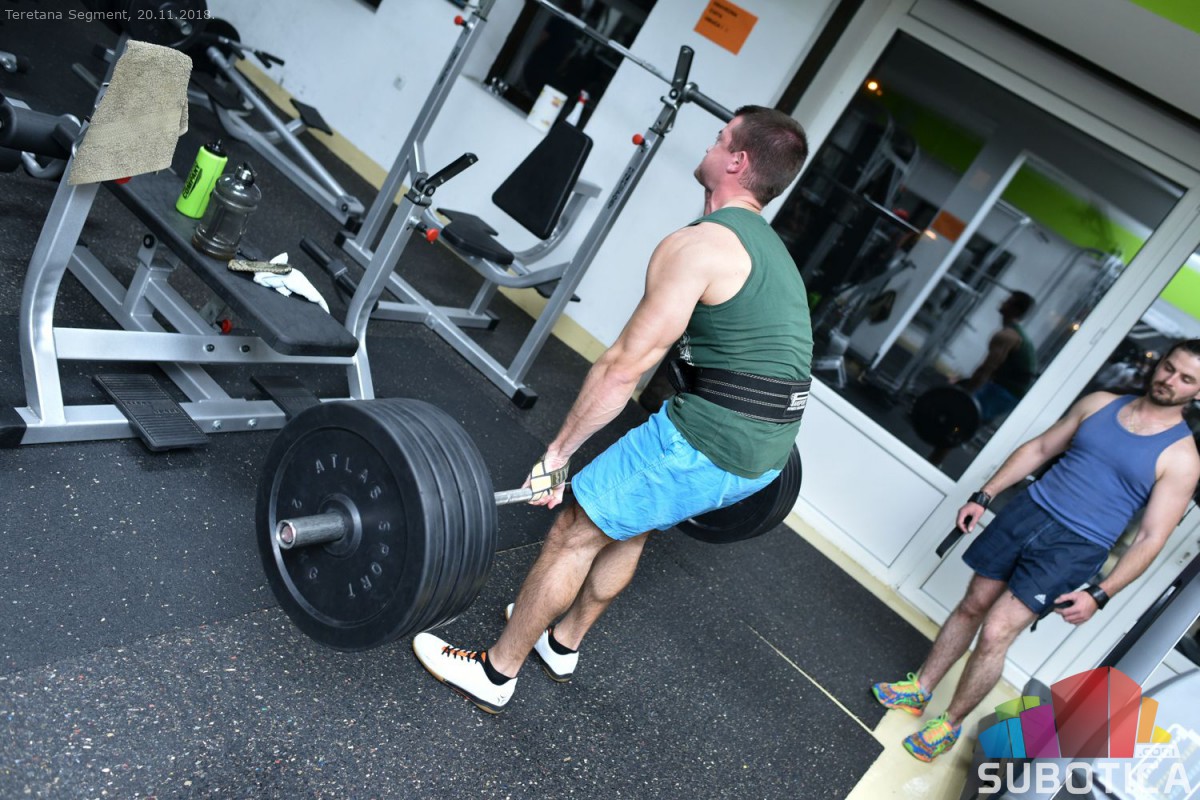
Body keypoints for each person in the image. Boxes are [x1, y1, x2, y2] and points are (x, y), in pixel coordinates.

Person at [411, 106, 814, 713]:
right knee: (633, 519)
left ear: (736, 161)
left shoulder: (699, 246)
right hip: (766, 457)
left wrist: (558, 454)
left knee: (575, 530)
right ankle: (561, 642)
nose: (708, 145)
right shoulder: (775, 256)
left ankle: (495, 673)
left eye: (719, 138)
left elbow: (625, 366)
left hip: (709, 439)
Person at [875, 339, 1200, 762]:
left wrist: (1101, 593)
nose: (1170, 380)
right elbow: (1041, 448)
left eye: (1186, 378)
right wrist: (985, 494)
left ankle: (949, 724)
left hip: (1076, 546)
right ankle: (919, 689)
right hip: (1029, 511)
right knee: (972, 605)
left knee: (997, 630)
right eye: (1169, 367)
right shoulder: (1100, 403)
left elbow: (1151, 538)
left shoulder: (1182, 458)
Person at [963, 291, 1038, 424]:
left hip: (1007, 391)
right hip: (1008, 389)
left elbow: (987, 369)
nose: (1003, 302)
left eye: (1008, 301)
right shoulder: (1013, 334)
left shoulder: (1007, 336)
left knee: (966, 415)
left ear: (1015, 310)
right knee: (970, 417)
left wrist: (964, 393)